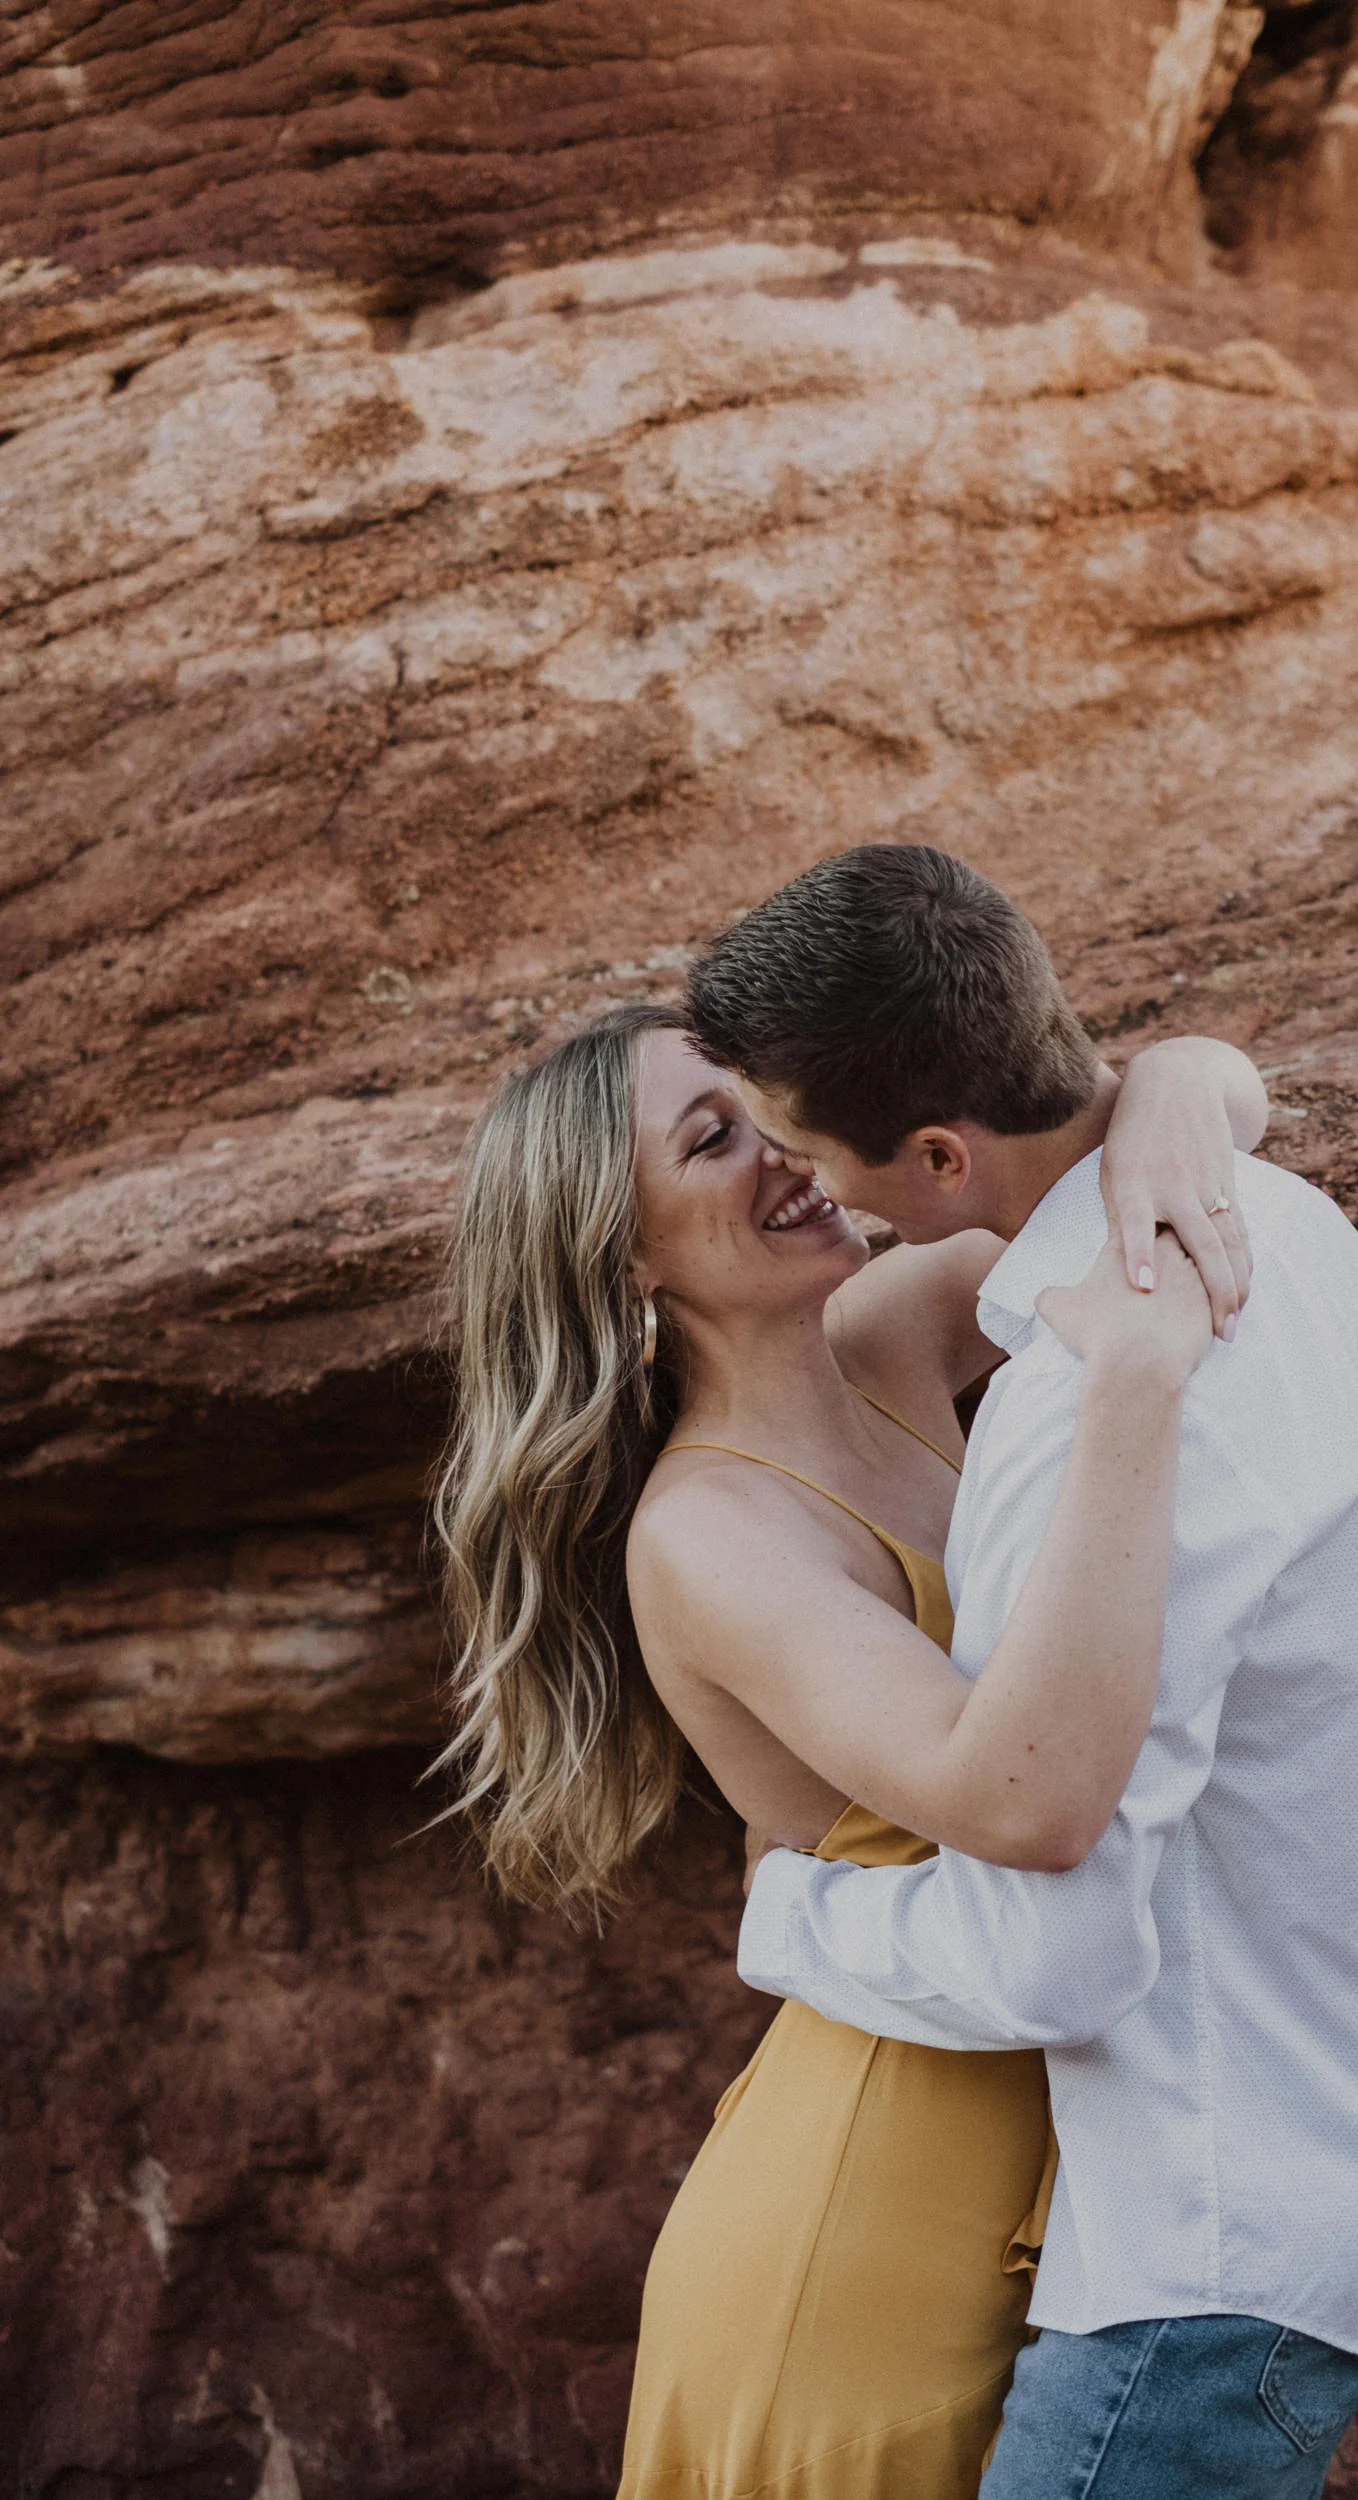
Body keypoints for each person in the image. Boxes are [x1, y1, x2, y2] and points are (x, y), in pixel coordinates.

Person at [685, 844, 1358, 2500]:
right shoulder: (1284, 1226)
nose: (797, 1182)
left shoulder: (1087, 1395)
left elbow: (1055, 1932)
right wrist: (1186, 1081)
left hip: (1214, 2231)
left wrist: (791, 1913)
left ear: (934, 1153)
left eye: (798, 1143)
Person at [432, 991, 1269, 2496]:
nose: (783, 1148)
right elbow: (1012, 1799)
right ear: (625, 1257)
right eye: (710, 1138)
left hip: (1037, 2141)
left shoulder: (884, 1343)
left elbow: (1158, 1130)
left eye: (763, 1099)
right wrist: (1131, 1385)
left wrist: (1163, 1093)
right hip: (863, 2236)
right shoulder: (706, 1532)